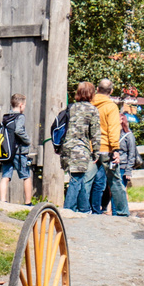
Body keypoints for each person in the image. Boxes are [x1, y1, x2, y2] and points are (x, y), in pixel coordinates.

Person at [90, 78, 129, 216]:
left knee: (86, 181)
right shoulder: (111, 106)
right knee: (115, 181)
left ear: (97, 89)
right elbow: (113, 129)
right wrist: (116, 150)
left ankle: (83, 210)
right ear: (111, 91)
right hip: (107, 149)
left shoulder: (90, 104)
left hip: (91, 148)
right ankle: (122, 212)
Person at [60, 81, 100, 213]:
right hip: (80, 149)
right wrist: (96, 152)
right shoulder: (92, 110)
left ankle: (84, 209)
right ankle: (68, 209)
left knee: (79, 177)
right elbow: (95, 134)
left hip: (66, 148)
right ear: (91, 93)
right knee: (76, 179)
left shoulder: (70, 107)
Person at [0, 93, 33, 205]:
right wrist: (27, 140)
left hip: (7, 152)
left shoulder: (6, 117)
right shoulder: (20, 117)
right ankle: (28, 202)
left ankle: (3, 201)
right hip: (19, 152)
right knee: (26, 176)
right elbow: (18, 130)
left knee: (6, 176)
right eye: (25, 105)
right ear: (21, 105)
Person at [118, 113, 140, 187]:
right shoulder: (113, 134)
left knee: (121, 190)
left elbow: (132, 153)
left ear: (121, 120)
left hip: (123, 167)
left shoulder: (128, 135)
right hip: (113, 166)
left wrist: (128, 170)